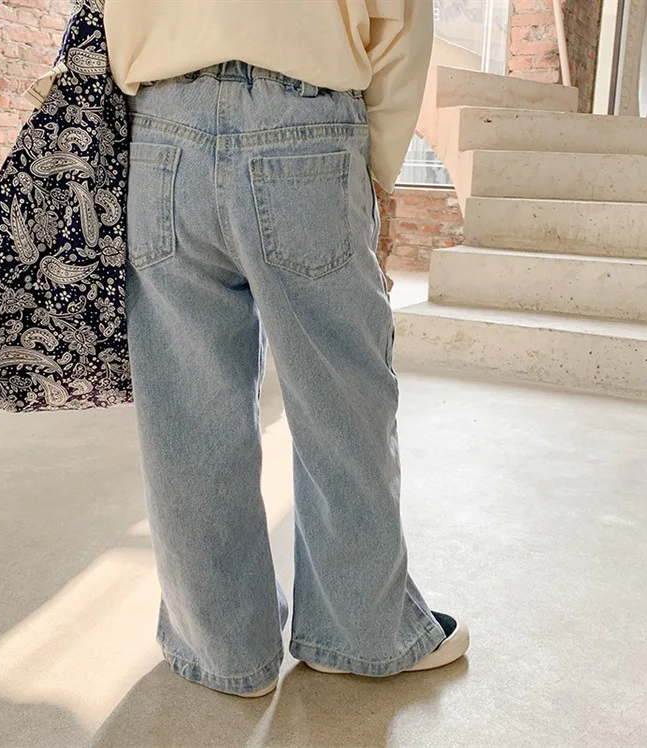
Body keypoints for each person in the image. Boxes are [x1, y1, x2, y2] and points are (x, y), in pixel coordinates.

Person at [103, 0, 469, 697]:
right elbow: (401, 24)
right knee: (342, 402)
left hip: (161, 134)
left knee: (188, 414)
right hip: (304, 123)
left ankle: (221, 648)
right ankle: (357, 632)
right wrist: (377, 168)